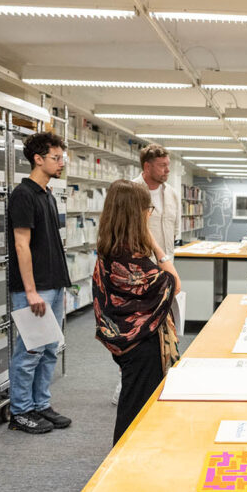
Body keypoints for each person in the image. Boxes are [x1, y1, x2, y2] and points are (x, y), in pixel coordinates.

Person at [93, 180, 179, 444]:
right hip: (142, 346)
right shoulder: (130, 259)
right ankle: (120, 468)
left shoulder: (109, 250)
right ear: (137, 213)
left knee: (135, 405)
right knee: (135, 412)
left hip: (125, 341)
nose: (149, 214)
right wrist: (155, 244)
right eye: (148, 209)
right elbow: (172, 283)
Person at [7, 131, 73, 435]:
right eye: (55, 158)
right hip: (34, 288)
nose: (61, 163)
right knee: (29, 351)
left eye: (61, 158)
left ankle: (40, 404)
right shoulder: (23, 194)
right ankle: (20, 411)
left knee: (48, 349)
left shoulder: (47, 193)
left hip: (54, 283)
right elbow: (22, 245)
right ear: (38, 159)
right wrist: (31, 291)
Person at [132, 143, 180, 263]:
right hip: (140, 268)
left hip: (167, 265)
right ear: (147, 166)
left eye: (168, 165)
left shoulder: (172, 194)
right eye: (162, 165)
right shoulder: (130, 192)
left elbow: (174, 232)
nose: (167, 170)